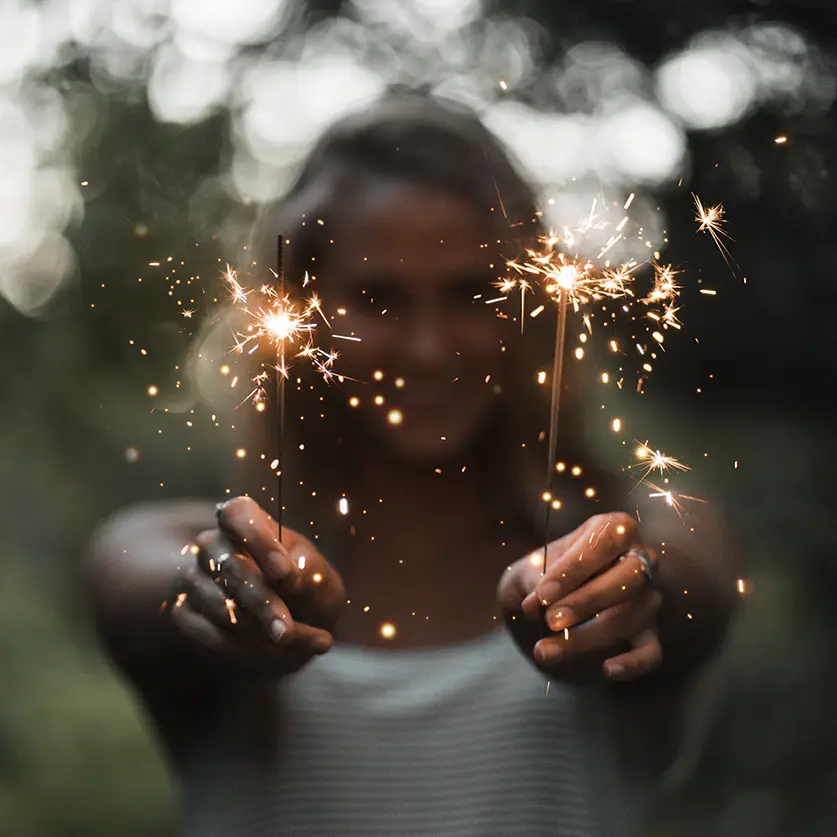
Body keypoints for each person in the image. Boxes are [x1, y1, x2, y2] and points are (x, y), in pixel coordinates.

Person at [86, 94, 742, 837]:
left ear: (529, 308)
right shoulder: (209, 559)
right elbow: (133, 578)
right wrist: (213, 596)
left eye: (470, 292)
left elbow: (694, 576)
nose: (428, 349)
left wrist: (624, 589)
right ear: (301, 313)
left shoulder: (637, 538)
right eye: (376, 297)